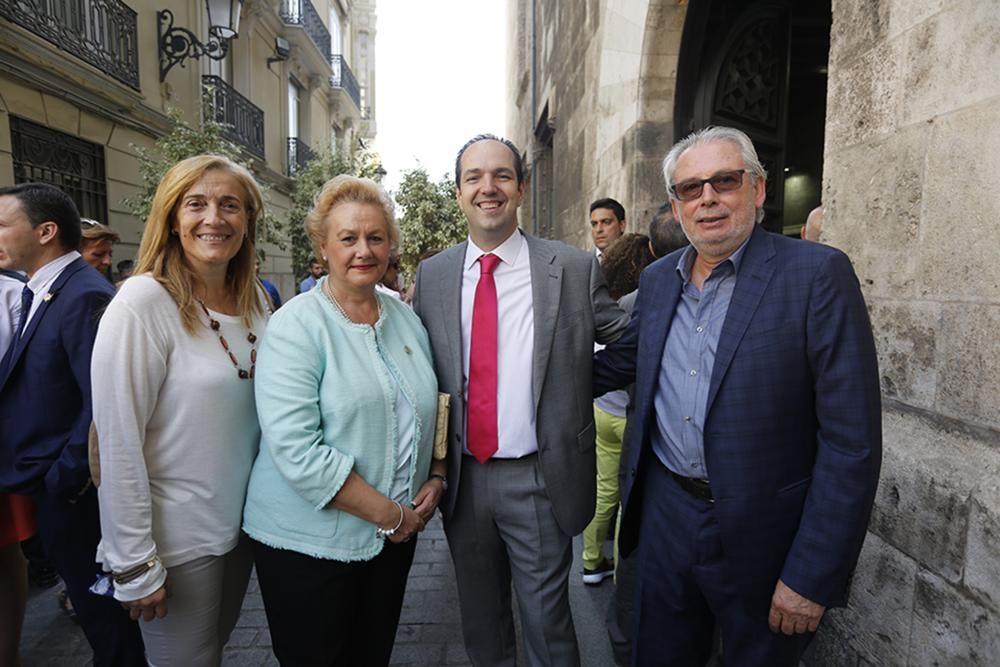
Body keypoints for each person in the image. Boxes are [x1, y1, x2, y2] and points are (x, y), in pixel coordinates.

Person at [594, 126, 882, 666]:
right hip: (666, 519)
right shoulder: (657, 282)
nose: (708, 198)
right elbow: (616, 364)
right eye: (690, 188)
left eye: (724, 181)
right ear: (676, 206)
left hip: (767, 536)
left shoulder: (817, 275)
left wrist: (810, 574)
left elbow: (852, 443)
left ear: (758, 189)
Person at [412, 134, 629, 666]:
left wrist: (581, 386)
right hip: (463, 480)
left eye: (502, 176)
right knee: (482, 625)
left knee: (548, 625)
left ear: (521, 188)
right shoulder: (433, 275)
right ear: (459, 193)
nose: (489, 187)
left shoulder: (571, 267)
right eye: (474, 178)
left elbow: (627, 337)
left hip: (539, 476)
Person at [244, 175, 442, 666]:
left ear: (390, 245)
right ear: (323, 247)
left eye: (375, 237)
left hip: (391, 541)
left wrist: (437, 473)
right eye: (348, 238)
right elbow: (297, 449)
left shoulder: (403, 317)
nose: (363, 250)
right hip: (308, 546)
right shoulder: (296, 324)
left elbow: (435, 402)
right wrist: (392, 515)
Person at [92, 154, 271, 665]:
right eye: (196, 204)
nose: (213, 218)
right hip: (176, 543)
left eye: (229, 205)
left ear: (247, 221)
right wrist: (133, 563)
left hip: (242, 529)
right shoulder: (142, 303)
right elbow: (118, 440)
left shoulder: (255, 298)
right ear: (172, 217)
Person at [0, 182, 146, 666]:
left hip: (73, 498)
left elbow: (100, 404)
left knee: (107, 624)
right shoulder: (44, 289)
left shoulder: (82, 295)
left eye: (3, 224)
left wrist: (63, 481)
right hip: (52, 489)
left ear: (44, 231)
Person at [582, 233, 655, 587]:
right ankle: (622, 569)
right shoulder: (642, 302)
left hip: (601, 409)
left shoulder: (607, 300)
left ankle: (590, 560)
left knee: (604, 488)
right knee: (630, 493)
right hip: (628, 411)